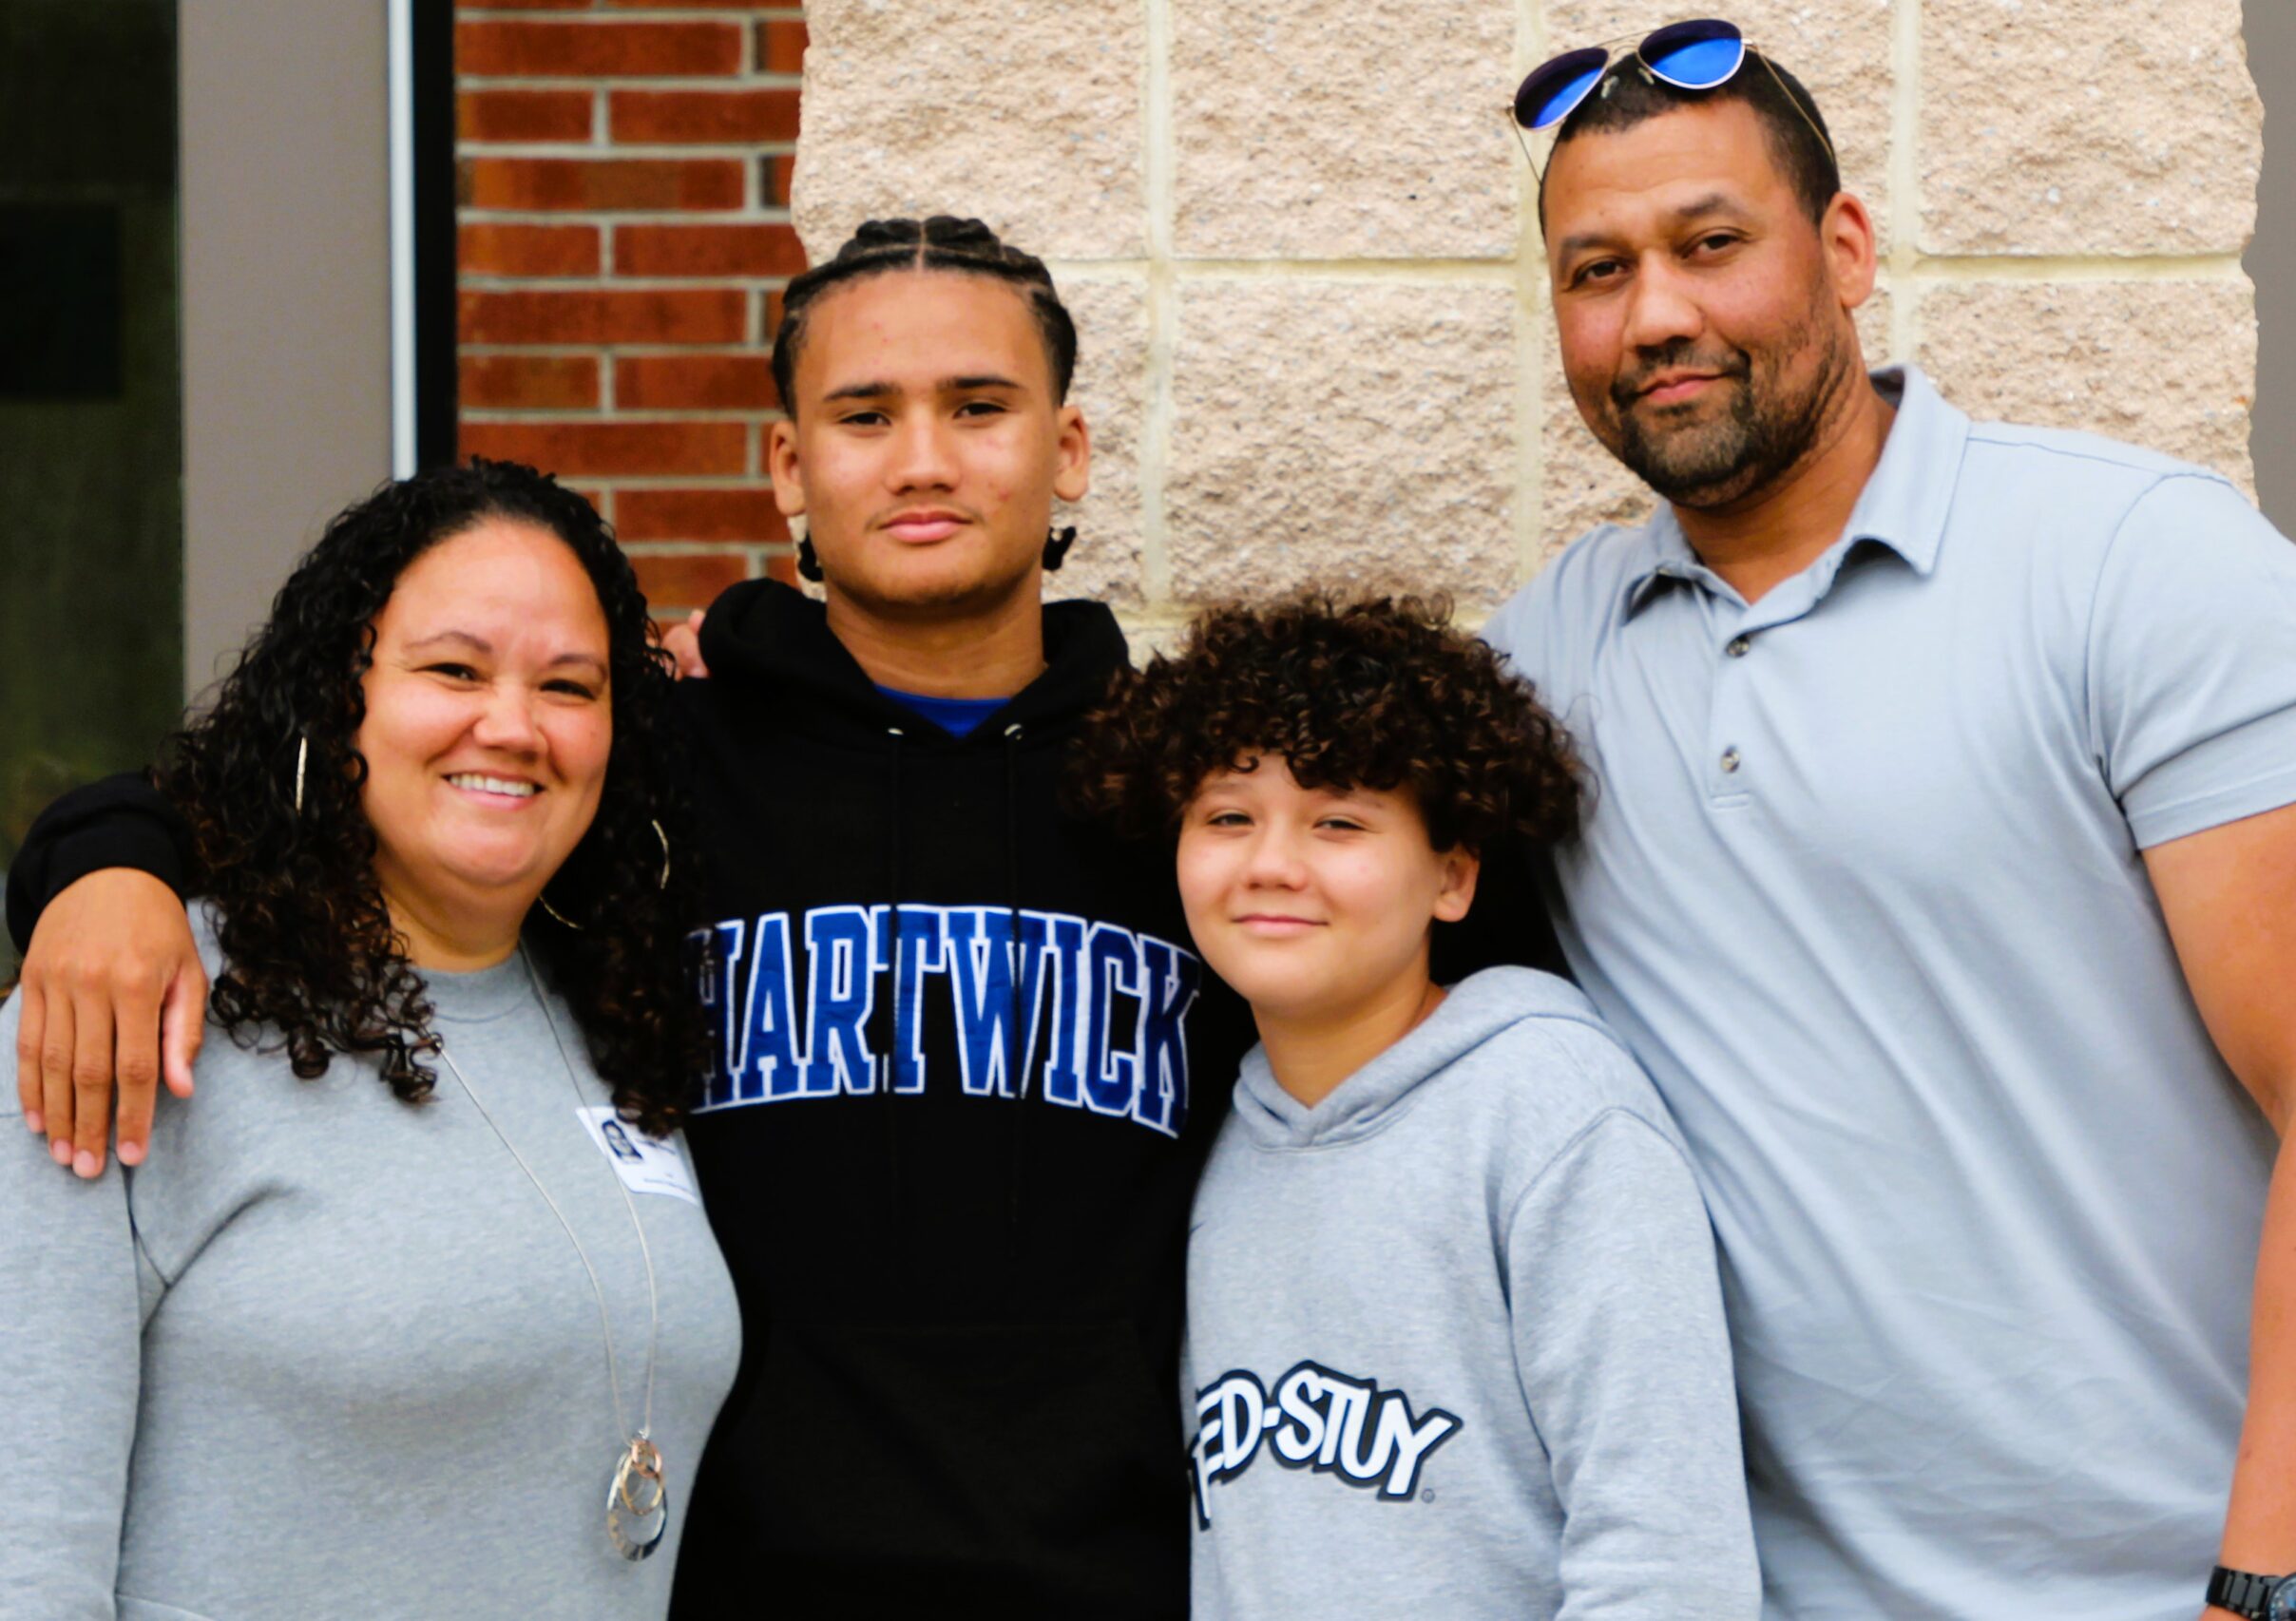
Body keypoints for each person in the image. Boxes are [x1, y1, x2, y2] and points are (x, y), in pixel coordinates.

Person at [8, 217, 1252, 1616]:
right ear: (787, 466)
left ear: (1069, 448)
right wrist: (105, 868)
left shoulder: (1193, 799)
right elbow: (322, 789)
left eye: (979, 407)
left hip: (1115, 1582)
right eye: (863, 413)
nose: (922, 458)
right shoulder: (659, 762)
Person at [1484, 19, 2296, 1621]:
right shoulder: (1541, 663)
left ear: (1844, 248)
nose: (1657, 315)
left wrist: (2273, 1590)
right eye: (1597, 272)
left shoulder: (2142, 563)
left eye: (1711, 245)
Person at [0, 459, 741, 1618]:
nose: (511, 724)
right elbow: (22, 1543)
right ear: (334, 693)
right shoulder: (135, 996)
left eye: (569, 685)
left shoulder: (618, 1017)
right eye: (452, 668)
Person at [1072, 596, 1758, 1618]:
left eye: (1338, 820)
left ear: (1452, 873)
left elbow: (1666, 1558)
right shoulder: (1208, 1147)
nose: (1270, 862)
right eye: (1226, 815)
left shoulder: (1552, 1114)